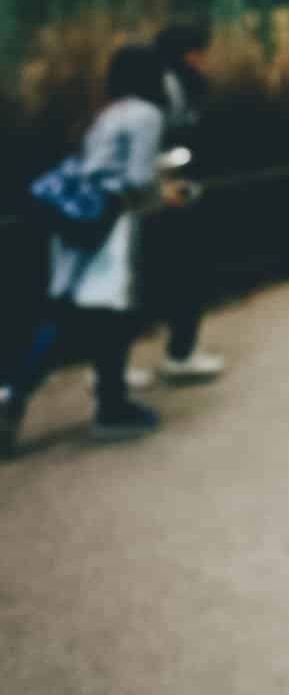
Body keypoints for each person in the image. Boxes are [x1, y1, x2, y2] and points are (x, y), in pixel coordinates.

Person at [1, 44, 190, 451]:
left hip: (74, 220)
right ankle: (111, 407)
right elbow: (137, 180)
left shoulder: (108, 111)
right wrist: (165, 196)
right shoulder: (146, 114)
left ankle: (13, 394)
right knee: (110, 315)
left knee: (65, 309)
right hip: (108, 227)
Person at [150, 20, 224, 380]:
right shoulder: (170, 86)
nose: (203, 61)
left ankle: (179, 349)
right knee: (186, 272)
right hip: (169, 193)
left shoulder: (170, 82)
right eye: (197, 54)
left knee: (166, 275)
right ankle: (180, 353)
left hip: (168, 192)